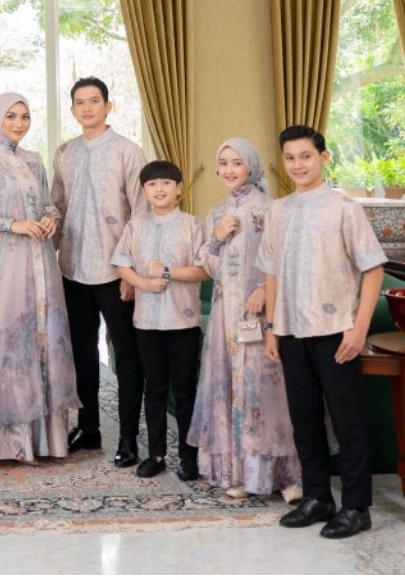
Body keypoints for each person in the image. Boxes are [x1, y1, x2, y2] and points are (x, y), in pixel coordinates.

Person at [259, 125, 386, 539]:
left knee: (349, 421)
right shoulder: (278, 211)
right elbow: (271, 272)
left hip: (336, 331)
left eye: (306, 156)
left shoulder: (344, 208)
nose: (298, 164)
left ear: (323, 158)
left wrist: (359, 328)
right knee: (305, 417)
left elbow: (373, 269)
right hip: (291, 330)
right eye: (290, 157)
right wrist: (272, 328)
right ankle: (317, 497)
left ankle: (356, 507)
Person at [0, 92, 79, 482]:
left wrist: (49, 220)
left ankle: (33, 442)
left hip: (39, 265)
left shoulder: (33, 160)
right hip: (2, 265)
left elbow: (47, 206)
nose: (19, 123)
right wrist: (13, 225)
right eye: (11, 116)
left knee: (35, 341)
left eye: (25, 116)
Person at [188, 138, 301, 501]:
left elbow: (285, 258)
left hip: (261, 314)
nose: (229, 170)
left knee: (266, 391)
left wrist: (265, 291)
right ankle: (238, 474)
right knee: (229, 388)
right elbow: (209, 266)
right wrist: (217, 238)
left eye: (236, 162)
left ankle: (286, 477)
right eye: (223, 163)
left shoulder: (270, 209)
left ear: (250, 166)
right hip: (225, 316)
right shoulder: (216, 212)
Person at [51, 77, 147, 468]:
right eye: (80, 102)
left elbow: (141, 214)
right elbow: (57, 208)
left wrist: (131, 272)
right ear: (72, 109)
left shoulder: (128, 151)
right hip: (72, 268)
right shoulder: (64, 153)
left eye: (94, 101)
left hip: (116, 270)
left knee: (126, 355)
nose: (87, 107)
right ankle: (89, 428)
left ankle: (128, 438)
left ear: (108, 106)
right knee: (82, 353)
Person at [111, 159, 208, 480]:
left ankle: (189, 456)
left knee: (184, 392)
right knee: (153, 390)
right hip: (146, 322)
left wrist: (166, 273)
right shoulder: (135, 225)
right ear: (144, 191)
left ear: (179, 188)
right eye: (152, 184)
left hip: (183, 323)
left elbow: (203, 270)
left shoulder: (191, 225)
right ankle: (156, 454)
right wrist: (142, 282)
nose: (160, 189)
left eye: (166, 183)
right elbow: (121, 264)